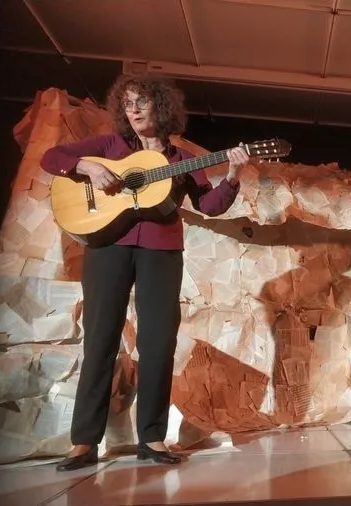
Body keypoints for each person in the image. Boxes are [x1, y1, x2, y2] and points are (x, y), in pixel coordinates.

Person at [41, 74, 250, 471]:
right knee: (100, 341)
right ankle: (84, 442)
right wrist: (85, 167)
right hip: (108, 247)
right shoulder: (110, 146)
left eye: (142, 103)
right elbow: (51, 158)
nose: (132, 110)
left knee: (158, 344)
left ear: (162, 107)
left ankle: (151, 437)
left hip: (162, 252)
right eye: (128, 103)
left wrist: (234, 175)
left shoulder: (183, 159)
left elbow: (209, 206)